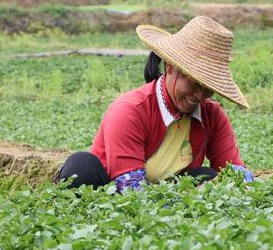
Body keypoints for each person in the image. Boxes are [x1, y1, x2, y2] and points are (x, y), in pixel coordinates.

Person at [57, 15, 254, 192]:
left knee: (206, 174)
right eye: (195, 82)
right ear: (170, 67)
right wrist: (192, 195)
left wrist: (243, 182)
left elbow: (236, 173)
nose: (200, 94)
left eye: (208, 86)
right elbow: (130, 190)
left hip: (166, 195)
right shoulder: (130, 111)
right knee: (81, 167)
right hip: (112, 192)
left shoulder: (212, 115)